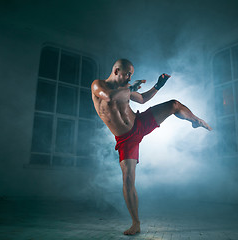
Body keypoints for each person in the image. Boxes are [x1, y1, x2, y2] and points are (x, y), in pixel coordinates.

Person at [91, 59, 212, 235]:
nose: (129, 78)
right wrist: (130, 88)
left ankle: (195, 120)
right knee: (128, 179)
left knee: (173, 104)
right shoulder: (98, 85)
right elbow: (109, 97)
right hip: (126, 140)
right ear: (116, 71)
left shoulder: (125, 88)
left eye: (131, 75)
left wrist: (158, 85)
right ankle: (136, 223)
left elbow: (142, 100)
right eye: (127, 74)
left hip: (139, 123)